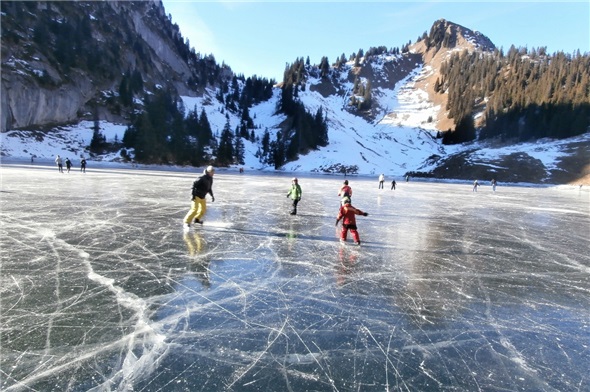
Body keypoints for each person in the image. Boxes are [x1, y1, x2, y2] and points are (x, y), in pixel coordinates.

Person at [183, 166, 215, 230]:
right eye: (212, 172)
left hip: (203, 196)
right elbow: (194, 185)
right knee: (194, 209)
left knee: (203, 209)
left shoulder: (210, 179)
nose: (213, 173)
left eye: (213, 172)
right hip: (196, 196)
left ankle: (197, 219)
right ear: (209, 172)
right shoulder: (201, 178)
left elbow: (209, 188)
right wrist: (193, 195)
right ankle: (186, 222)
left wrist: (212, 195)